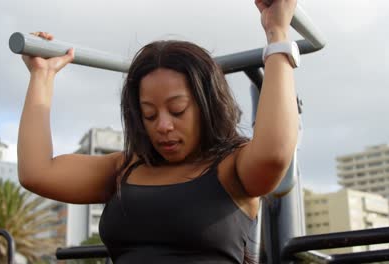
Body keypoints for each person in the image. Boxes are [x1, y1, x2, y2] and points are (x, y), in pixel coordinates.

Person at [17, 0, 299, 263]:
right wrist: (42, 76)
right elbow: (36, 173)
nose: (163, 126)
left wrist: (277, 33)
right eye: (149, 114)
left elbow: (274, 154)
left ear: (206, 107)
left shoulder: (233, 167)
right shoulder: (124, 167)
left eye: (177, 110)